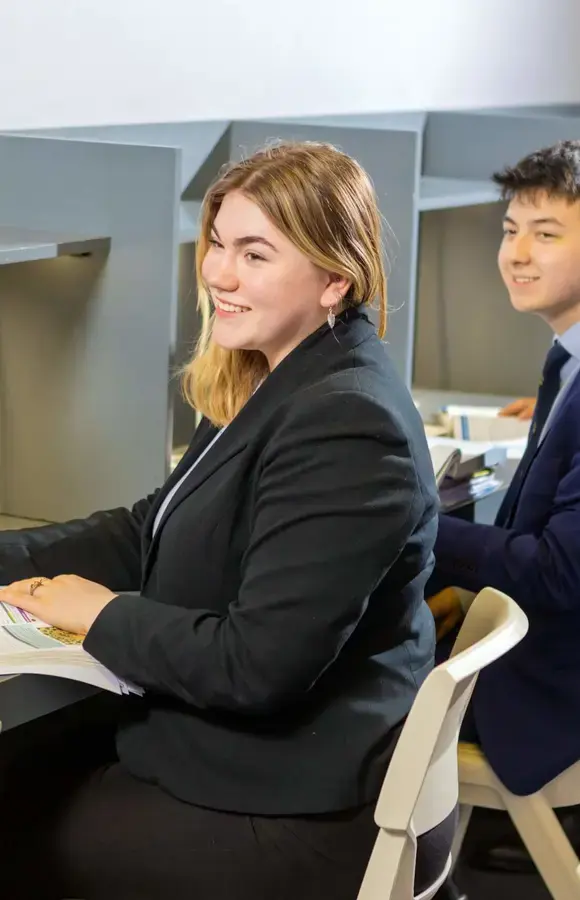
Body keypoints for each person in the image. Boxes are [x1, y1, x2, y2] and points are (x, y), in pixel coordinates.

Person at [0, 141, 450, 900]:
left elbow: (256, 667)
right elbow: (150, 530)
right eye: (216, 242)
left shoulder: (345, 423)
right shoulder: (278, 372)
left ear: (335, 277)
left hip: (301, 814)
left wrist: (103, 612)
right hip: (258, 766)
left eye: (254, 253)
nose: (217, 272)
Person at [429, 140, 580, 884]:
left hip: (555, 691)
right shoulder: (567, 358)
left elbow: (554, 570)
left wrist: (416, 526)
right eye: (509, 229)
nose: (517, 253)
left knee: (342, 700)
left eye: (545, 233)